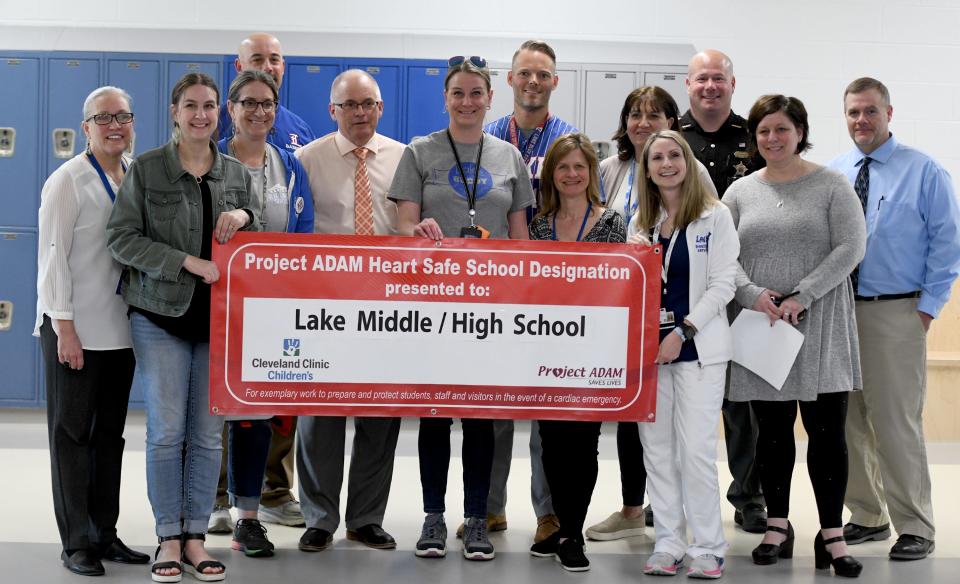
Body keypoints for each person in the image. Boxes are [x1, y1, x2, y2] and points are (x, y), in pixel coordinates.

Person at [107, 72, 260, 582]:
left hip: (217, 320)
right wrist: (184, 262)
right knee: (167, 433)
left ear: (221, 113)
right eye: (191, 105)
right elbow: (122, 239)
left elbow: (256, 221)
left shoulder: (236, 171)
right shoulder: (148, 169)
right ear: (174, 111)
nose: (201, 115)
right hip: (160, 315)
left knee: (208, 435)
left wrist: (241, 213)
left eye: (210, 106)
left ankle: (196, 538)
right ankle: (167, 537)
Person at [389, 55, 534, 561]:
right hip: (433, 305)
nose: (468, 102)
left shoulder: (508, 157)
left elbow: (519, 238)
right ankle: (433, 517)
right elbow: (403, 226)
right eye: (458, 93)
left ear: (490, 98)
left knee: (479, 416)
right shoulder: (419, 151)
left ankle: (476, 519)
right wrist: (419, 231)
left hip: (490, 309)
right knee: (433, 415)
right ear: (445, 99)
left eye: (477, 93)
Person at [724, 95, 865, 578]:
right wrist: (751, 295)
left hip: (820, 323)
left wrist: (802, 295)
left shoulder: (831, 184)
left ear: (800, 131)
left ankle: (832, 534)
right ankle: (777, 526)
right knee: (773, 433)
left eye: (782, 129)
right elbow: (724, 257)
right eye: (763, 131)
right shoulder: (740, 192)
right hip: (763, 324)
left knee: (828, 435)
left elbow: (851, 246)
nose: (772, 138)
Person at [830, 77, 960, 561]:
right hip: (840, 313)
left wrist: (926, 309)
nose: (861, 120)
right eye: (852, 113)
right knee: (848, 421)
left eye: (869, 111)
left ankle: (916, 525)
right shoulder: (836, 172)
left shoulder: (924, 171)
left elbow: (948, 245)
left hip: (896, 313)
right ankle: (868, 514)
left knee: (895, 422)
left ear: (889, 113)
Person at [588, 86, 716, 541]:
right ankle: (631, 508)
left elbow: (709, 248)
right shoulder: (609, 168)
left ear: (672, 122)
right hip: (623, 314)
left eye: (655, 114)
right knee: (634, 417)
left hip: (677, 321)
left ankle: (681, 520)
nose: (643, 123)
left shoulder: (692, 173)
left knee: (681, 432)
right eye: (635, 115)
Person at [35, 86, 150, 577]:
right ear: (86, 128)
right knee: (71, 436)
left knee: (110, 438)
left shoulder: (135, 177)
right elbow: (52, 259)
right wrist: (64, 328)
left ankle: (105, 533)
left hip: (120, 333)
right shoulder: (68, 180)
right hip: (75, 331)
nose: (115, 125)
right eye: (103, 117)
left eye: (122, 116)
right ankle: (75, 541)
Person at [293, 69, 404, 553]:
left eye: (369, 104)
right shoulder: (306, 159)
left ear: (380, 108)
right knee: (320, 417)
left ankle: (365, 518)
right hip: (326, 306)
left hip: (386, 309)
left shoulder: (404, 158)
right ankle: (318, 517)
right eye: (350, 105)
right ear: (332, 111)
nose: (360, 113)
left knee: (381, 416)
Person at [621, 130, 735, 579]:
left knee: (696, 452)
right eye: (656, 159)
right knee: (658, 450)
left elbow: (724, 284)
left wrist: (683, 332)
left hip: (698, 351)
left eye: (674, 156)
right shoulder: (640, 224)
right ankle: (668, 541)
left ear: (687, 162)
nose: (666, 164)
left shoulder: (714, 215)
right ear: (646, 170)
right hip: (653, 355)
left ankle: (708, 545)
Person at [209, 31, 311, 533]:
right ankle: (216, 496)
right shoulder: (207, 158)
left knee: (268, 400)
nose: (258, 110)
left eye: (266, 104)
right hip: (219, 300)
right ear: (231, 107)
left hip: (274, 305)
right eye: (248, 103)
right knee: (218, 401)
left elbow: (304, 228)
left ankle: (265, 493)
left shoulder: (290, 159)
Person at [480, 38, 576, 545]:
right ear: (510, 80)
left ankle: (549, 512)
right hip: (496, 288)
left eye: (543, 74)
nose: (533, 81)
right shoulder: (489, 137)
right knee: (494, 405)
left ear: (554, 82)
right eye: (525, 73)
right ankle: (491, 508)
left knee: (545, 407)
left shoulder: (569, 141)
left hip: (552, 288)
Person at [521, 133, 625, 572]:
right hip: (547, 346)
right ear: (551, 174)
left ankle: (573, 533)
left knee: (582, 444)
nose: (571, 174)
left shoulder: (612, 222)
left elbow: (620, 284)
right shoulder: (538, 223)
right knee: (550, 441)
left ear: (591, 173)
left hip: (593, 351)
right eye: (563, 167)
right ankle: (562, 525)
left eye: (580, 167)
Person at [680, 49, 767, 534]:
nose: (710, 87)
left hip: (739, 286)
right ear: (688, 84)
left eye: (719, 78)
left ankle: (747, 496)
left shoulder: (753, 137)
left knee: (742, 402)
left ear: (732, 84)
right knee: (682, 394)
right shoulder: (672, 136)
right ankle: (668, 492)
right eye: (702, 79)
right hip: (685, 286)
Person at [219, 32, 316, 153]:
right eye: (257, 60)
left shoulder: (301, 130)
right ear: (239, 67)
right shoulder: (213, 123)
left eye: (274, 60)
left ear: (283, 67)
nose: (268, 67)